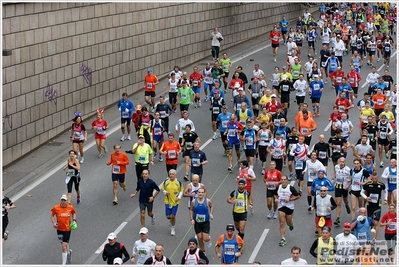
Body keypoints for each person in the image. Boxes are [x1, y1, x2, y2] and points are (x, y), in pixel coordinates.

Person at [361, 172, 388, 240]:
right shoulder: (367, 185)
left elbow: (385, 191)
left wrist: (385, 199)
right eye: (373, 179)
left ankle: (374, 238)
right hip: (369, 206)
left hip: (377, 206)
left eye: (376, 178)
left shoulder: (381, 185)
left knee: (376, 222)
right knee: (370, 222)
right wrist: (366, 197)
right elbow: (361, 192)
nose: (374, 180)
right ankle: (368, 236)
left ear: (378, 178)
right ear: (371, 178)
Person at [50, 194, 76, 265]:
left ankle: (63, 264)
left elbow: (73, 213)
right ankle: (68, 252)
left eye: (64, 200)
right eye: (62, 200)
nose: (63, 202)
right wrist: (54, 222)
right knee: (63, 244)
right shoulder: (56, 208)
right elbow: (52, 215)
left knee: (63, 247)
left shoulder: (70, 207)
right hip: (59, 229)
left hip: (67, 229)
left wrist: (74, 220)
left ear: (67, 201)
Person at [277, 175, 300, 247]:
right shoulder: (278, 187)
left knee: (288, 223)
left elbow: (298, 196)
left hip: (289, 207)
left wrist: (290, 199)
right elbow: (275, 194)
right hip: (281, 207)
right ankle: (283, 238)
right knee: (281, 223)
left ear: (287, 180)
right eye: (282, 179)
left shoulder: (291, 188)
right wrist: (276, 199)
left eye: (284, 179)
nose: (283, 181)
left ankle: (291, 223)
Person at [189, 187, 214, 253]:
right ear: (197, 193)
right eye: (199, 192)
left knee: (205, 238)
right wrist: (191, 219)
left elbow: (211, 206)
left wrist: (211, 214)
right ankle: (203, 251)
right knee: (199, 238)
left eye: (202, 192)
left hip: (205, 222)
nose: (200, 194)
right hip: (197, 222)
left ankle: (209, 239)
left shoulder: (207, 201)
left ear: (204, 194)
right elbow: (191, 210)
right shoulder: (194, 201)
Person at [161, 169, 184, 236]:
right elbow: (163, 189)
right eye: (170, 174)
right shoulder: (166, 181)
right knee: (168, 216)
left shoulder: (178, 182)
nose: (171, 175)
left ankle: (173, 228)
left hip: (175, 201)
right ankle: (171, 221)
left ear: (175, 175)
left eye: (173, 174)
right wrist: (165, 192)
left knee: (173, 215)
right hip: (167, 201)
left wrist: (179, 197)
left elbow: (181, 190)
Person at [332, 157, 352, 226]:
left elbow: (352, 177)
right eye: (340, 161)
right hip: (337, 187)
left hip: (344, 187)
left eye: (343, 162)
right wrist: (333, 178)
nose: (341, 163)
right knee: (338, 203)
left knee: (345, 200)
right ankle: (337, 218)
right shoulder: (336, 167)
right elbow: (335, 173)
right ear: (338, 162)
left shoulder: (348, 169)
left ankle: (346, 205)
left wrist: (348, 185)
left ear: (345, 162)